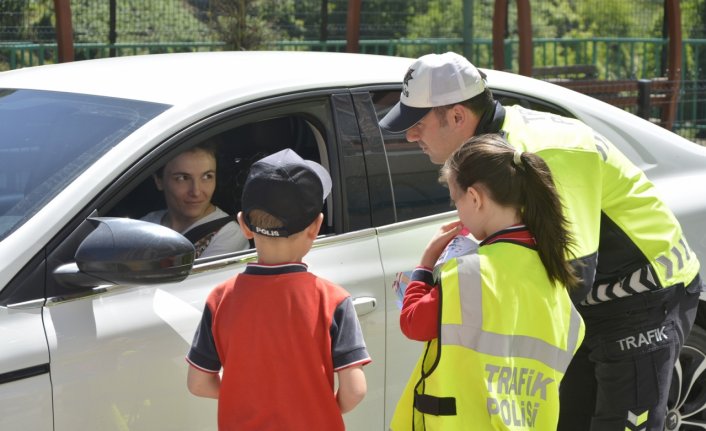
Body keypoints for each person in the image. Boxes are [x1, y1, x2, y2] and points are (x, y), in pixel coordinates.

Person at [380, 51, 703, 431]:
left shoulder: (545, 150)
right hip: (591, 304)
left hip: (644, 297)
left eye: (417, 122)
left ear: (456, 116)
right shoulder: (488, 152)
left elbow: (574, 272)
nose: (411, 134)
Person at [389, 134, 585, 430]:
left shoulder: (469, 273)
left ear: (475, 198)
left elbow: (413, 322)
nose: (458, 212)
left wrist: (426, 264)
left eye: (457, 201)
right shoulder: (554, 278)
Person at [185, 148, 371, 430]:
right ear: (315, 227)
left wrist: (247, 398)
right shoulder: (332, 300)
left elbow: (198, 383)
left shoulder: (220, 299)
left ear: (244, 226)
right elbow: (355, 390)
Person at [142, 142, 249, 258]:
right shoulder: (146, 224)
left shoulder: (229, 235)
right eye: (183, 178)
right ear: (159, 181)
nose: (196, 192)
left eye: (207, 176)